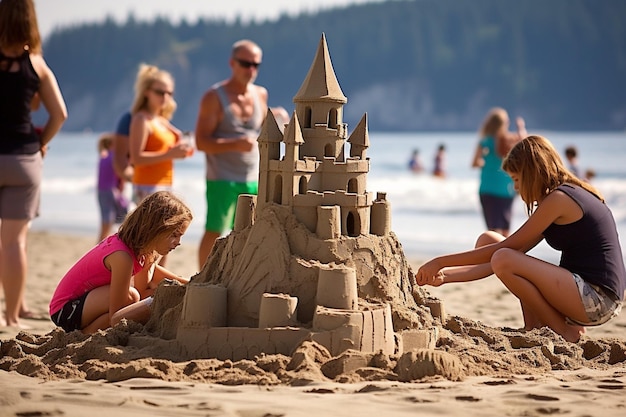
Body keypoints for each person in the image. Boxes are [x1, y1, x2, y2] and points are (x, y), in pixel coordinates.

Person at [415, 135, 625, 343]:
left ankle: (564, 331)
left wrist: (440, 261)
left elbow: (507, 252)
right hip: (579, 291)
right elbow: (499, 259)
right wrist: (446, 275)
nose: (515, 188)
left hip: (598, 298)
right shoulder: (555, 198)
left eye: (516, 179)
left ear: (532, 173)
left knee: (503, 256)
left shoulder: (559, 199)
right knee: (489, 240)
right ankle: (535, 326)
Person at [0, 0, 67, 328]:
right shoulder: (36, 65)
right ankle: (11, 317)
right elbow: (60, 114)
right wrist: (41, 143)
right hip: (24, 158)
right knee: (14, 242)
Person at [49, 191, 193, 334]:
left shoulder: (146, 252)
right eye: (174, 235)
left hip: (87, 303)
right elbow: (117, 317)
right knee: (132, 297)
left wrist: (187, 284)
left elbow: (148, 284)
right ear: (155, 228)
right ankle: (85, 335)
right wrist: (154, 301)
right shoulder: (122, 256)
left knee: (135, 297)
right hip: (65, 310)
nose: (178, 242)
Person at [194, 39, 269, 269]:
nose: (251, 70)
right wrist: (234, 143)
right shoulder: (214, 97)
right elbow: (201, 142)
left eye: (256, 64)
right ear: (232, 63)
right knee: (215, 230)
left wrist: (279, 119)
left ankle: (237, 277)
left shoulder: (261, 95)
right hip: (221, 179)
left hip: (252, 178)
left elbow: (264, 131)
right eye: (245, 63)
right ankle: (204, 277)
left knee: (248, 233)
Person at [128, 64, 192, 266]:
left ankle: (155, 282)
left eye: (169, 92)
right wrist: (170, 153)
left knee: (166, 237)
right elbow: (136, 158)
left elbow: (178, 145)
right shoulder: (141, 119)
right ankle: (147, 283)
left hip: (165, 184)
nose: (165, 96)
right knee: (150, 240)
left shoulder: (162, 120)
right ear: (147, 92)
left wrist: (183, 149)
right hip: (147, 185)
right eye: (159, 92)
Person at [471, 107, 527, 237]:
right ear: (504, 124)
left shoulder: (485, 142)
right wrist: (521, 128)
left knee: (493, 232)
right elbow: (525, 144)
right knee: (506, 232)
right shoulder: (509, 140)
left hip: (487, 188)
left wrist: (486, 162)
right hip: (507, 189)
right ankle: (505, 256)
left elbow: (474, 163)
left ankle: (494, 257)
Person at [96, 133, 129, 243]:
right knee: (110, 223)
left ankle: (102, 246)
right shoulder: (115, 156)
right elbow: (122, 176)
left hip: (102, 191)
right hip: (111, 191)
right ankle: (100, 249)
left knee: (106, 224)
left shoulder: (104, 156)